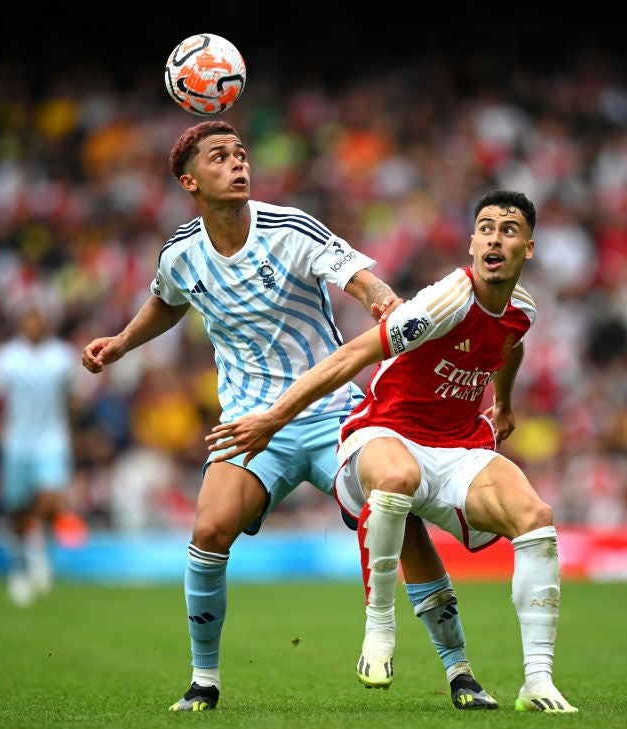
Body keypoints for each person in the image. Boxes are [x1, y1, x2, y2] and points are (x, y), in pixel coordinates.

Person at [80, 120, 496, 712]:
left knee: (399, 519)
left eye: (241, 153)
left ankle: (460, 671)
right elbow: (169, 299)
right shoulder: (180, 254)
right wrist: (122, 341)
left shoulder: (288, 227)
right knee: (208, 532)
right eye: (220, 157)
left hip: (335, 414)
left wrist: (381, 298)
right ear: (189, 181)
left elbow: (358, 279)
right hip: (252, 425)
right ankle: (204, 680)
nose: (238, 163)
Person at [207, 189, 578, 713]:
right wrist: (274, 418)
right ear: (472, 243)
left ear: (529, 249)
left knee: (536, 518)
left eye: (509, 229)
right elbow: (353, 354)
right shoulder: (444, 301)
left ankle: (538, 682)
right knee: (398, 478)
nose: (496, 237)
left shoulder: (522, 309)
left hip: (456, 446)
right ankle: (379, 627)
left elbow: (509, 346)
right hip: (383, 433)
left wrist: (507, 403)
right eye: (487, 227)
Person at [0, 303, 84, 607]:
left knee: (51, 499)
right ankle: (18, 568)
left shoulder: (61, 357)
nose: (33, 326)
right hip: (17, 442)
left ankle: (38, 554)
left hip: (52, 439)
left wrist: (72, 431)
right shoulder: (6, 359)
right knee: (17, 509)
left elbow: (72, 398)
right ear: (20, 324)